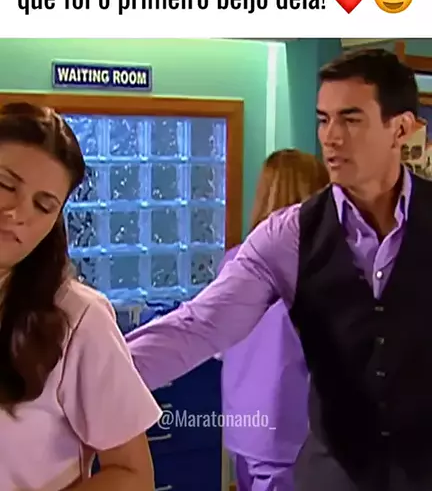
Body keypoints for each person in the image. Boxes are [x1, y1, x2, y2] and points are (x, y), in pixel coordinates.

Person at [126, 48, 432, 490]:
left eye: (350, 119)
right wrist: (76, 382)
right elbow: (199, 326)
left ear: (400, 129)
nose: (331, 137)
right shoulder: (288, 236)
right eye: (323, 119)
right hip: (332, 478)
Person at [0, 102, 161, 491]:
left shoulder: (78, 318)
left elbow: (133, 476)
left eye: (43, 205)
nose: (17, 213)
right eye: (4, 185)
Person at [218, 149, 328, 491]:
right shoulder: (315, 270)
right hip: (288, 435)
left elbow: (218, 346)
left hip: (243, 428)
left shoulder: (235, 261)